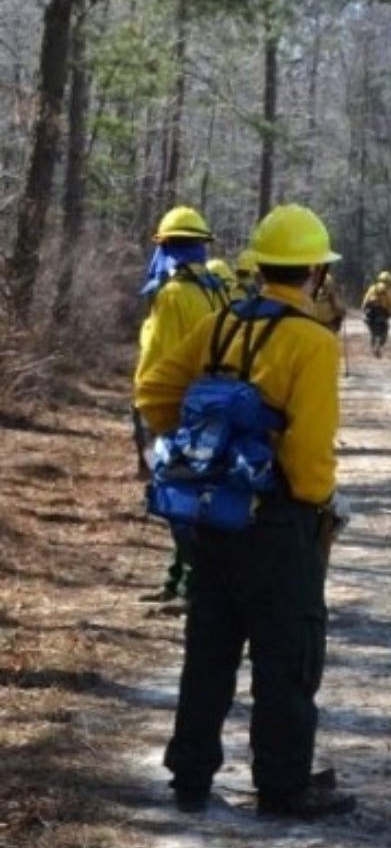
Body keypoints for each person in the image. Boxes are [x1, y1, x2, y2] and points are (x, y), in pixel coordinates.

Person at [134, 203, 358, 820]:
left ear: (259, 266)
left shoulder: (221, 324)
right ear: (314, 270)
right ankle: (283, 788)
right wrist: (314, 508)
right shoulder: (311, 341)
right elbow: (311, 452)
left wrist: (194, 453)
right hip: (279, 522)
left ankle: (191, 777)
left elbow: (153, 390)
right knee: (288, 655)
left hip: (213, 516)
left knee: (209, 648)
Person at [132, 206, 230, 605]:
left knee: (177, 497)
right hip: (212, 406)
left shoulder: (172, 295)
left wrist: (147, 409)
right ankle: (177, 579)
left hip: (174, 408)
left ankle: (195, 585)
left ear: (166, 247)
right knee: (191, 495)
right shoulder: (217, 288)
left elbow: (158, 358)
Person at [360, 270, 391, 356]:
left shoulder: (372, 288)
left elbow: (365, 301)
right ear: (389, 281)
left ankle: (373, 348)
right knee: (383, 332)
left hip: (369, 315)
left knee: (374, 332)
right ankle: (378, 347)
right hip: (381, 315)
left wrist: (363, 312)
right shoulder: (388, 290)